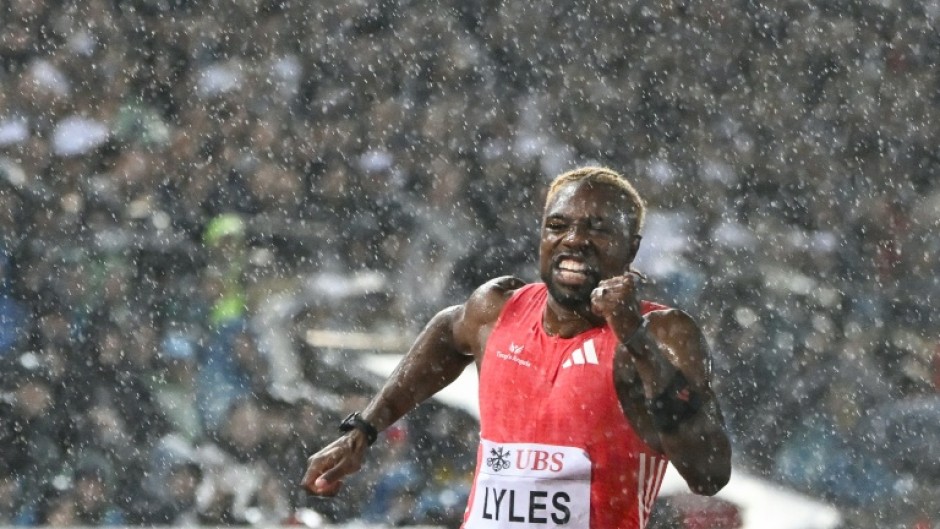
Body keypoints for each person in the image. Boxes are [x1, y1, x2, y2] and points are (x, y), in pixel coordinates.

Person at [301, 166, 732, 529]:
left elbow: (709, 473)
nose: (574, 240)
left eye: (598, 229)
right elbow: (446, 332)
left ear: (632, 247)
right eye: (558, 226)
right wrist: (365, 429)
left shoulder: (662, 333)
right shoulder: (497, 309)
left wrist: (633, 337)